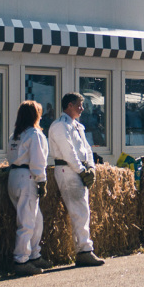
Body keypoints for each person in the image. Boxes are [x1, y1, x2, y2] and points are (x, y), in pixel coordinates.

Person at [47, 92, 105, 267]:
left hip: (77, 170)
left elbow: (86, 149)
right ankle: (84, 250)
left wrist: (91, 169)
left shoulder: (78, 126)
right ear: (69, 106)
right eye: (79, 105)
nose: (82, 109)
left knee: (83, 210)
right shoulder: (59, 126)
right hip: (67, 170)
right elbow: (68, 151)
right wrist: (81, 171)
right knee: (79, 211)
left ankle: (84, 249)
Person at [6, 101, 54, 276]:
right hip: (28, 177)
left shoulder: (15, 135)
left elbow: (10, 156)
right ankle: (21, 260)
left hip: (14, 176)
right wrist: (42, 180)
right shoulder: (35, 134)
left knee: (36, 218)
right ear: (35, 115)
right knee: (26, 221)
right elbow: (38, 160)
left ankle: (34, 254)